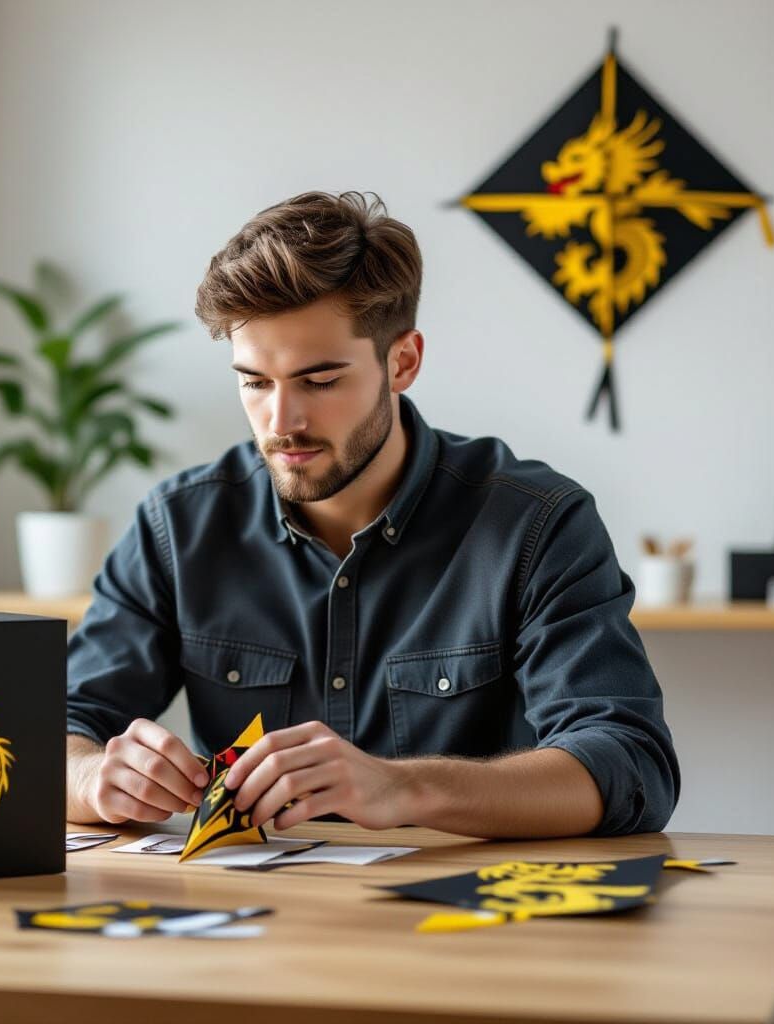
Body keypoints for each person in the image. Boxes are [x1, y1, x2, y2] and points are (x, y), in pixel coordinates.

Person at [66, 191, 679, 838]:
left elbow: (631, 766)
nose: (282, 423)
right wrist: (91, 778)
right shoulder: (179, 527)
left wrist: (405, 787)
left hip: (472, 927)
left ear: (403, 362)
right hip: (247, 925)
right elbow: (47, 732)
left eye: (320, 380)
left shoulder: (537, 525)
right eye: (254, 382)